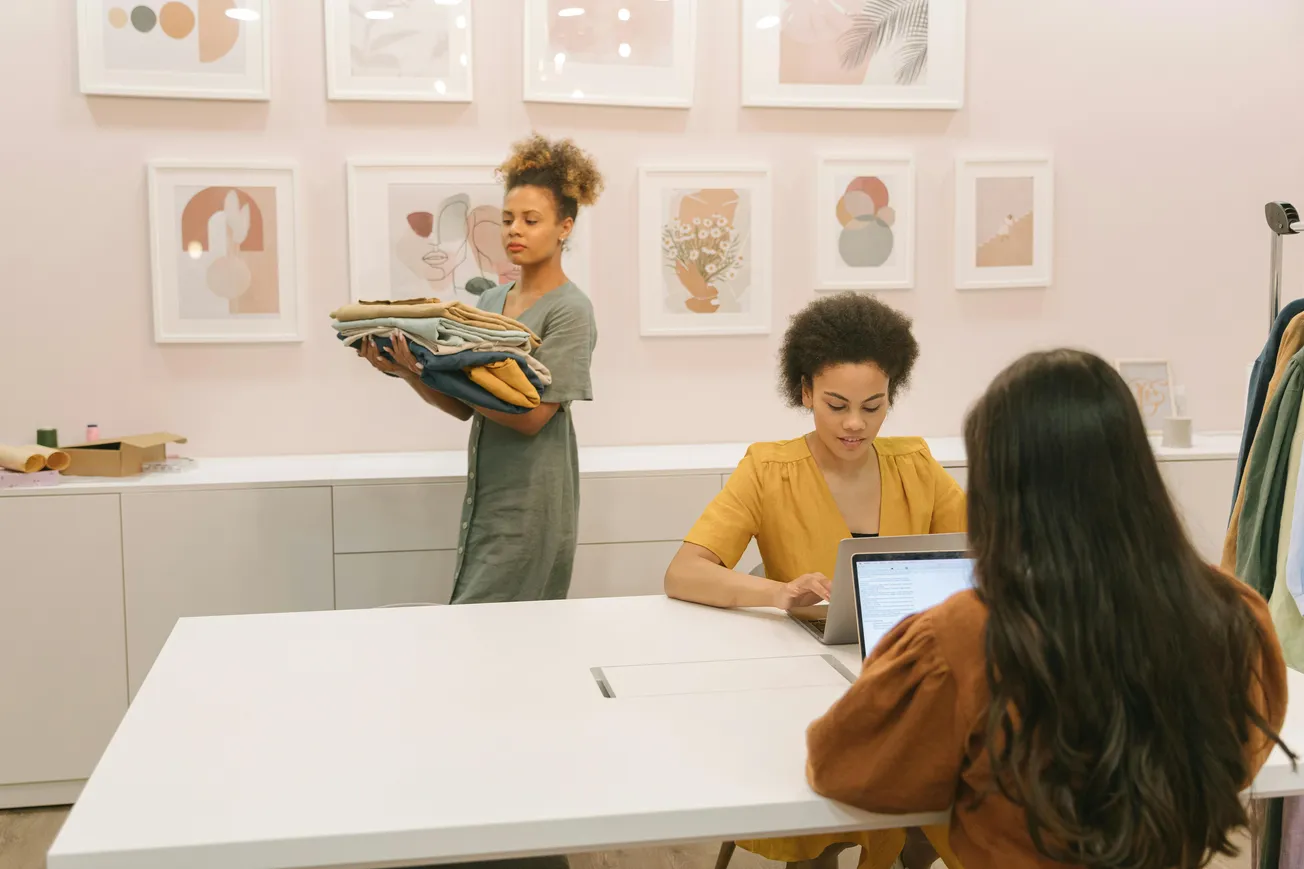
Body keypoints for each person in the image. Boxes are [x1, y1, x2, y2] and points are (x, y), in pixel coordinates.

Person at [806, 349, 1293, 869]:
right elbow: (1238, 760)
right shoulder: (1232, 613)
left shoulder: (966, 635)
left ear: (1003, 489)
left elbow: (847, 769)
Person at [664, 292, 966, 869]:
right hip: (808, 686)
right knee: (819, 825)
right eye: (836, 405)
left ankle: (912, 846)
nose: (855, 424)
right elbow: (685, 572)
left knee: (953, 784)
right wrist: (777, 594)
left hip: (910, 677)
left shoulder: (916, 466)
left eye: (873, 407)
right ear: (804, 392)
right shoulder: (769, 468)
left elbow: (982, 554)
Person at [358, 133, 602, 606]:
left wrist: (444, 374)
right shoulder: (490, 301)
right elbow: (464, 409)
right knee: (481, 634)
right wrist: (412, 371)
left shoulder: (571, 311)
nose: (515, 230)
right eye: (509, 219)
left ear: (565, 227)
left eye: (532, 220)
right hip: (486, 497)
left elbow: (532, 418)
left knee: (497, 632)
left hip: (532, 501)